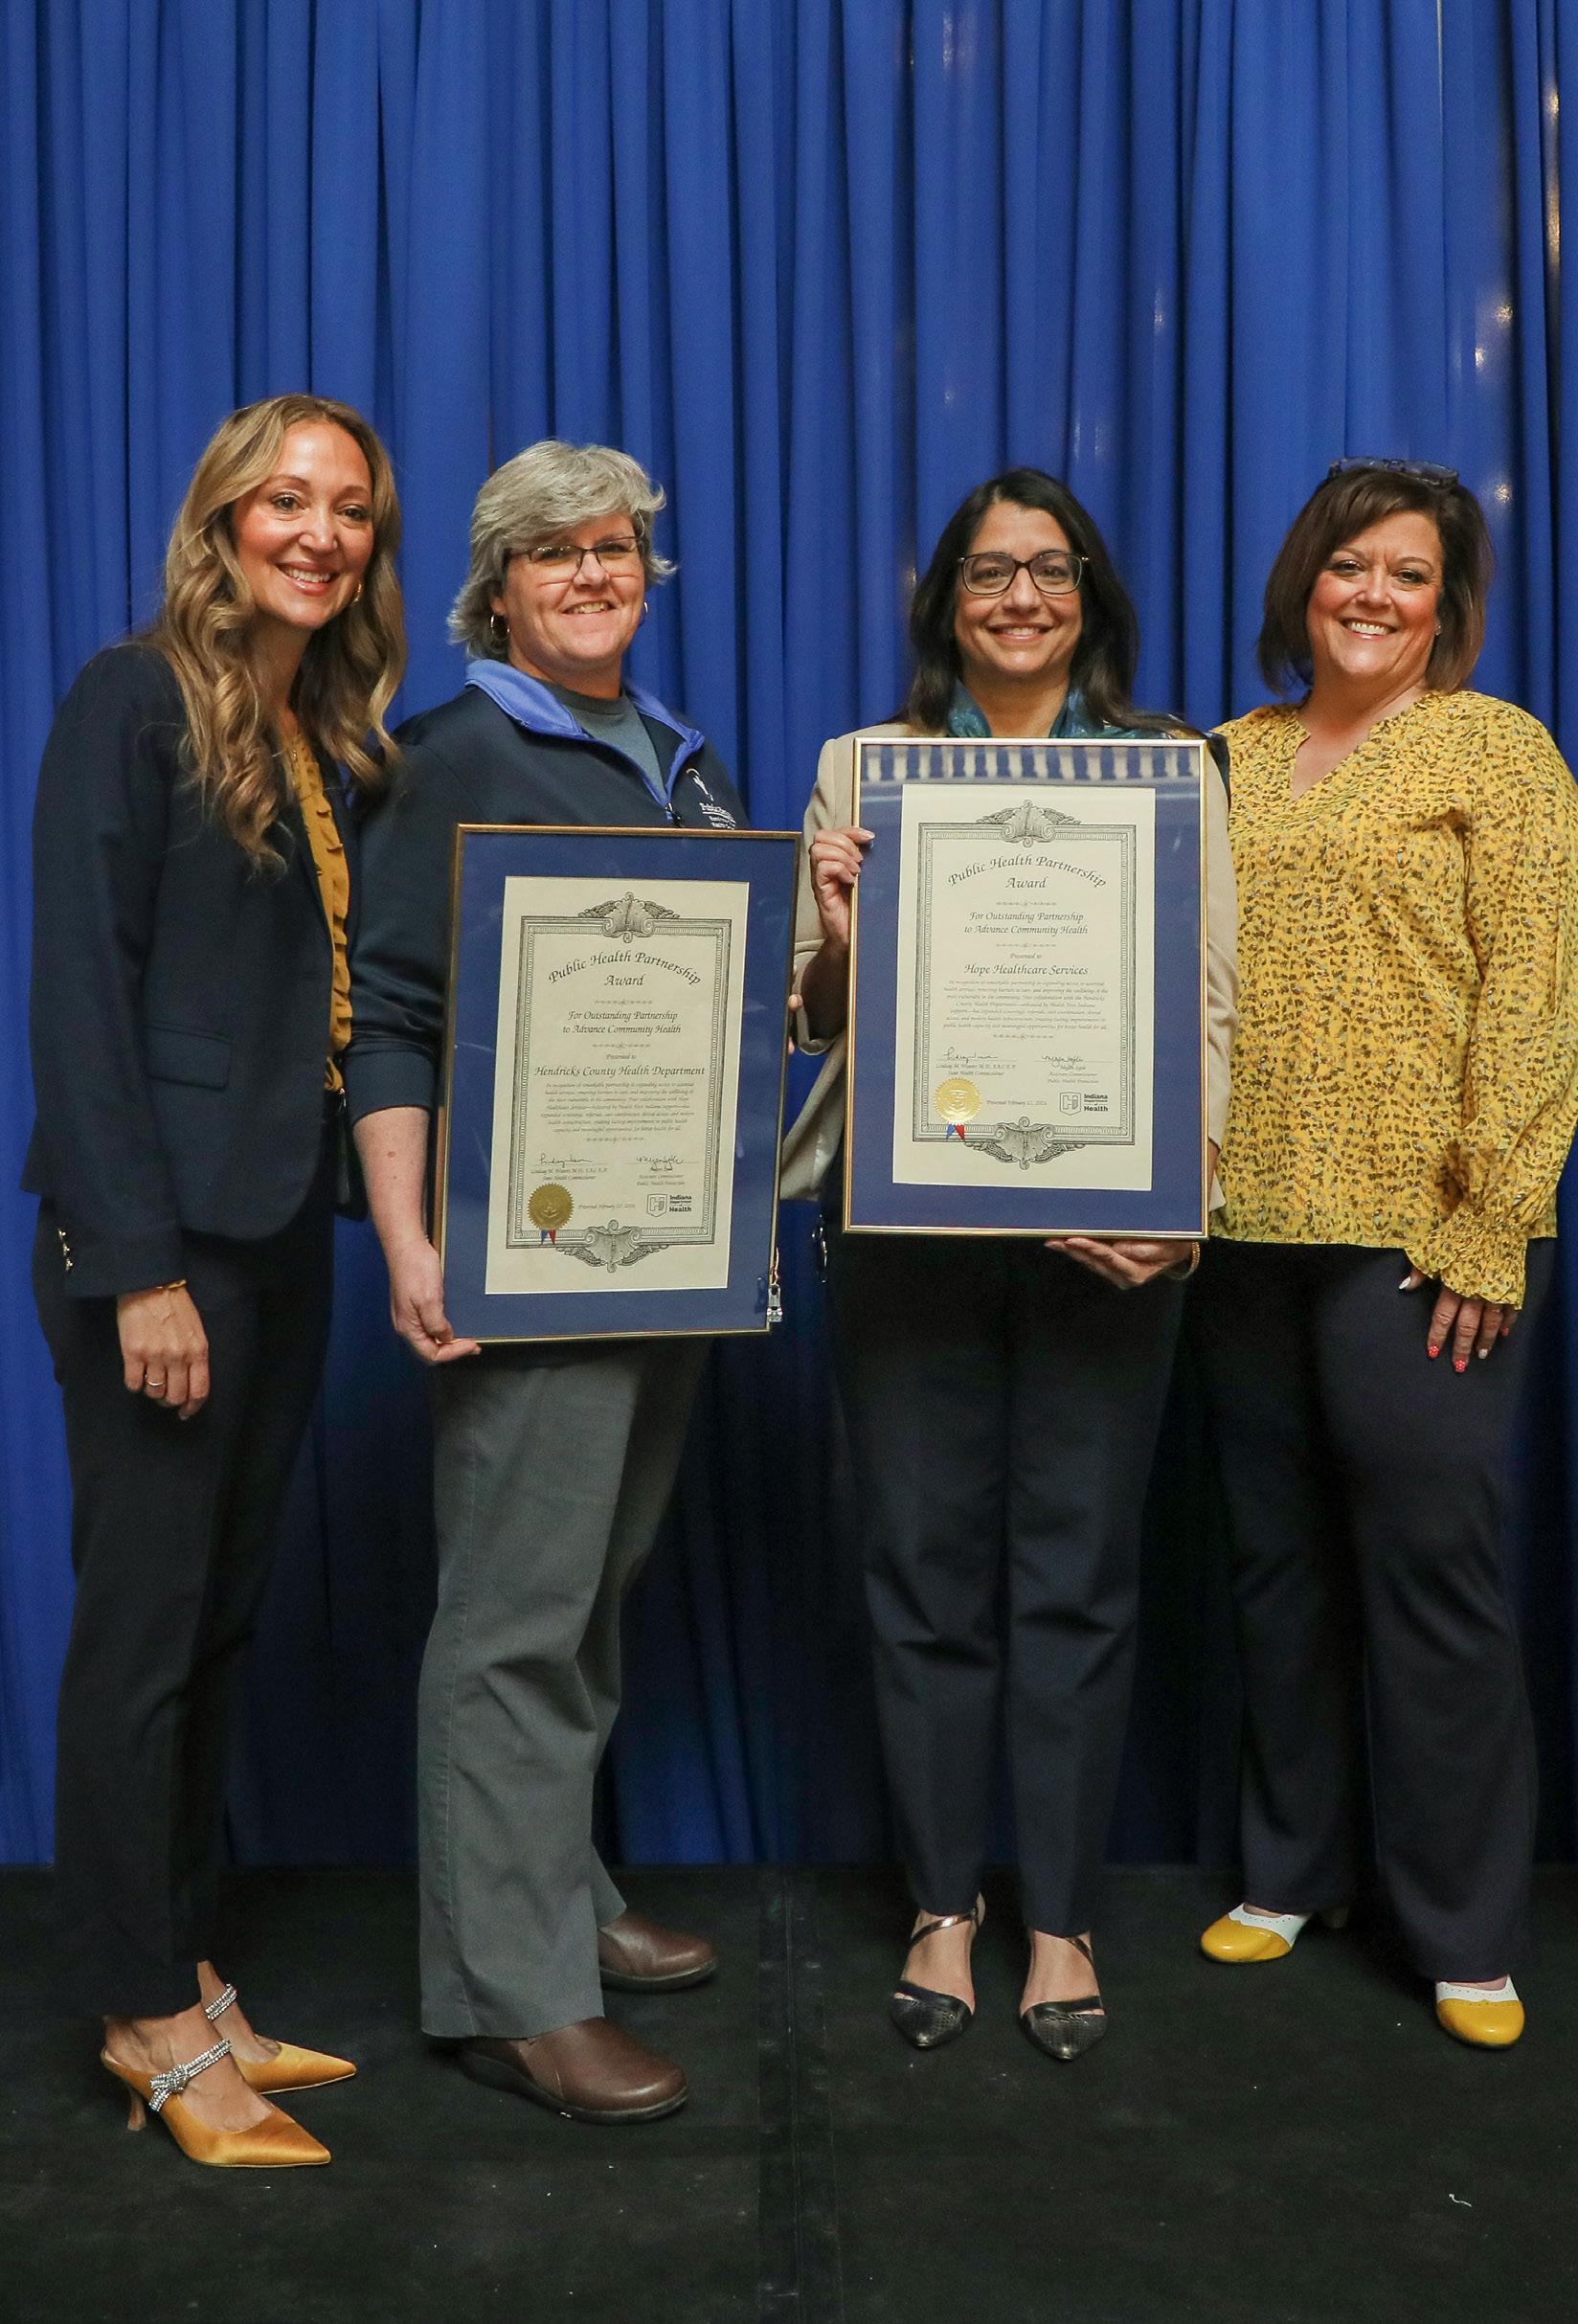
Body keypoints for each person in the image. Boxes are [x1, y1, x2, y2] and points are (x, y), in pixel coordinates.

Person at [782, 467, 1237, 2061]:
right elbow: (814, 1018)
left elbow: (1209, 999)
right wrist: (841, 932)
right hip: (905, 1231)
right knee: (918, 1571)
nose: (1020, 597)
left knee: (1076, 1577)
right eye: (988, 572)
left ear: (1089, 593)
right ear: (946, 602)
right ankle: (939, 1905)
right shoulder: (865, 767)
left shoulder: (1170, 769)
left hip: (1105, 1236)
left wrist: (1184, 1198)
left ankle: (1058, 1916)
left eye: (1050, 570)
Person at [26, 393, 406, 2165]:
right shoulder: (131, 700)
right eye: (288, 500)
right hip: (160, 1253)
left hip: (275, 1237)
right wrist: (139, 1272)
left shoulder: (325, 732)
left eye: (351, 509)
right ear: (224, 520)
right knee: (141, 1641)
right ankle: (142, 2019)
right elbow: (79, 1004)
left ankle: (181, 1961)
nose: (320, 533)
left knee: (217, 1623)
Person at [349, 440, 743, 2124]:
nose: (594, 575)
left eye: (618, 549)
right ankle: (511, 1995)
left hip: (670, 1251)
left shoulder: (680, 762)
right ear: (497, 585)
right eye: (554, 552)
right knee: (514, 1617)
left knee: (586, 1599)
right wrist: (409, 1241)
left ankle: (556, 1890)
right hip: (525, 1258)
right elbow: (390, 1014)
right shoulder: (444, 755)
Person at [1190, 457, 1578, 2051]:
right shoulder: (1225, 758)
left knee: (1431, 1578)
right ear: (1304, 582)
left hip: (1420, 1239)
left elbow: (1543, 994)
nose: (1372, 594)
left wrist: (1490, 1222)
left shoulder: (1496, 752)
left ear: (1447, 604)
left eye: (1407, 573)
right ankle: (1291, 1868)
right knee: (1273, 1566)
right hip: (1236, 1227)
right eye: (1348, 565)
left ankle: (1461, 1926)